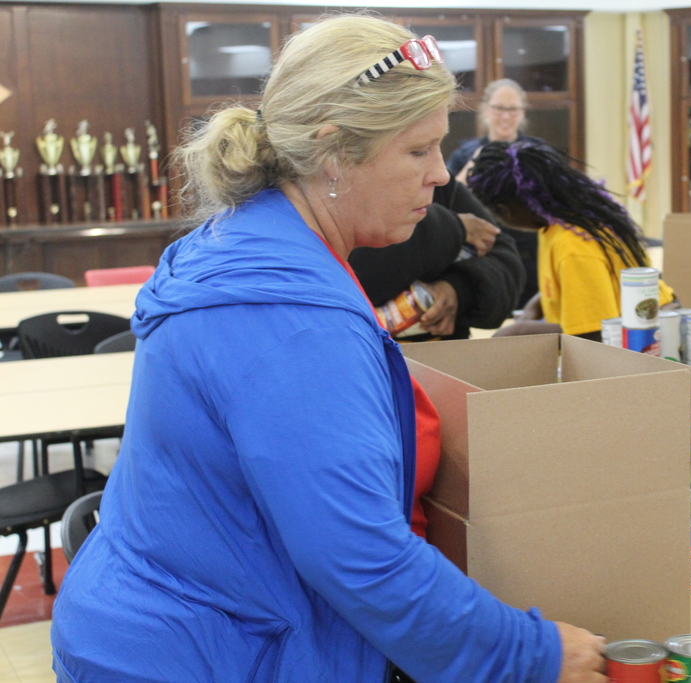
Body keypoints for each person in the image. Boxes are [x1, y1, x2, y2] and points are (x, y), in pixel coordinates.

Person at [50, 15, 606, 683]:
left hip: (160, 629)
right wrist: (532, 653)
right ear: (335, 151)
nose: (438, 175)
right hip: (203, 656)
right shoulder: (293, 320)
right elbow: (364, 561)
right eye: (418, 151)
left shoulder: (249, 242)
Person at [466, 141, 675, 342]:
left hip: (649, 341)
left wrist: (520, 331)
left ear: (505, 210)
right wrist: (533, 307)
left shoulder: (572, 245)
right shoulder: (556, 224)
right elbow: (566, 283)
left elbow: (593, 335)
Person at [349, 175, 525, 340]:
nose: (442, 172)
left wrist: (457, 288)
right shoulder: (337, 193)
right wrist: (452, 227)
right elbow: (358, 274)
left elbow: (506, 261)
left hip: (442, 357)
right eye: (418, 151)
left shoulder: (440, 185)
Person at [447, 79, 546, 308]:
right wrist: (476, 163)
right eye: (499, 108)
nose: (505, 116)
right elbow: (447, 199)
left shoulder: (538, 152)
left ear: (522, 113)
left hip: (533, 255)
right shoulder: (465, 153)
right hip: (486, 255)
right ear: (485, 110)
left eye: (513, 109)